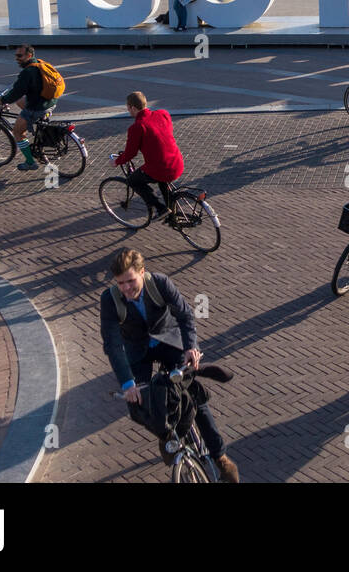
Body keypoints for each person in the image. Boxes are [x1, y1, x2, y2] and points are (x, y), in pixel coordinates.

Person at [100, 248, 239, 483]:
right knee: (145, 403)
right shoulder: (109, 299)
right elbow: (112, 345)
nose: (126, 288)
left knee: (192, 395)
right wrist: (128, 383)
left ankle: (220, 457)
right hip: (138, 350)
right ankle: (167, 437)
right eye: (120, 283)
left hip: (169, 341)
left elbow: (184, 315)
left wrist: (190, 348)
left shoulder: (160, 283)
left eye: (130, 281)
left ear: (142, 273)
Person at [111, 91, 182, 221]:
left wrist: (117, 161)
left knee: (133, 180)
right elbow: (168, 130)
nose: (128, 111)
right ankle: (172, 216)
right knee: (162, 181)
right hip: (176, 161)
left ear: (132, 107)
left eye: (128, 108)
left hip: (161, 167)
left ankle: (161, 209)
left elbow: (130, 153)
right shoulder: (163, 113)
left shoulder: (137, 127)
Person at [0, 44, 61, 172]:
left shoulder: (27, 72)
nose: (16, 58)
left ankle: (30, 162)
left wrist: (2, 100)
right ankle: (41, 123)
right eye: (16, 55)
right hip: (51, 102)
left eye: (19, 56)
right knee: (20, 101)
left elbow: (17, 91)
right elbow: (19, 91)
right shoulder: (39, 63)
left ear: (29, 55)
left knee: (18, 132)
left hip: (37, 107)